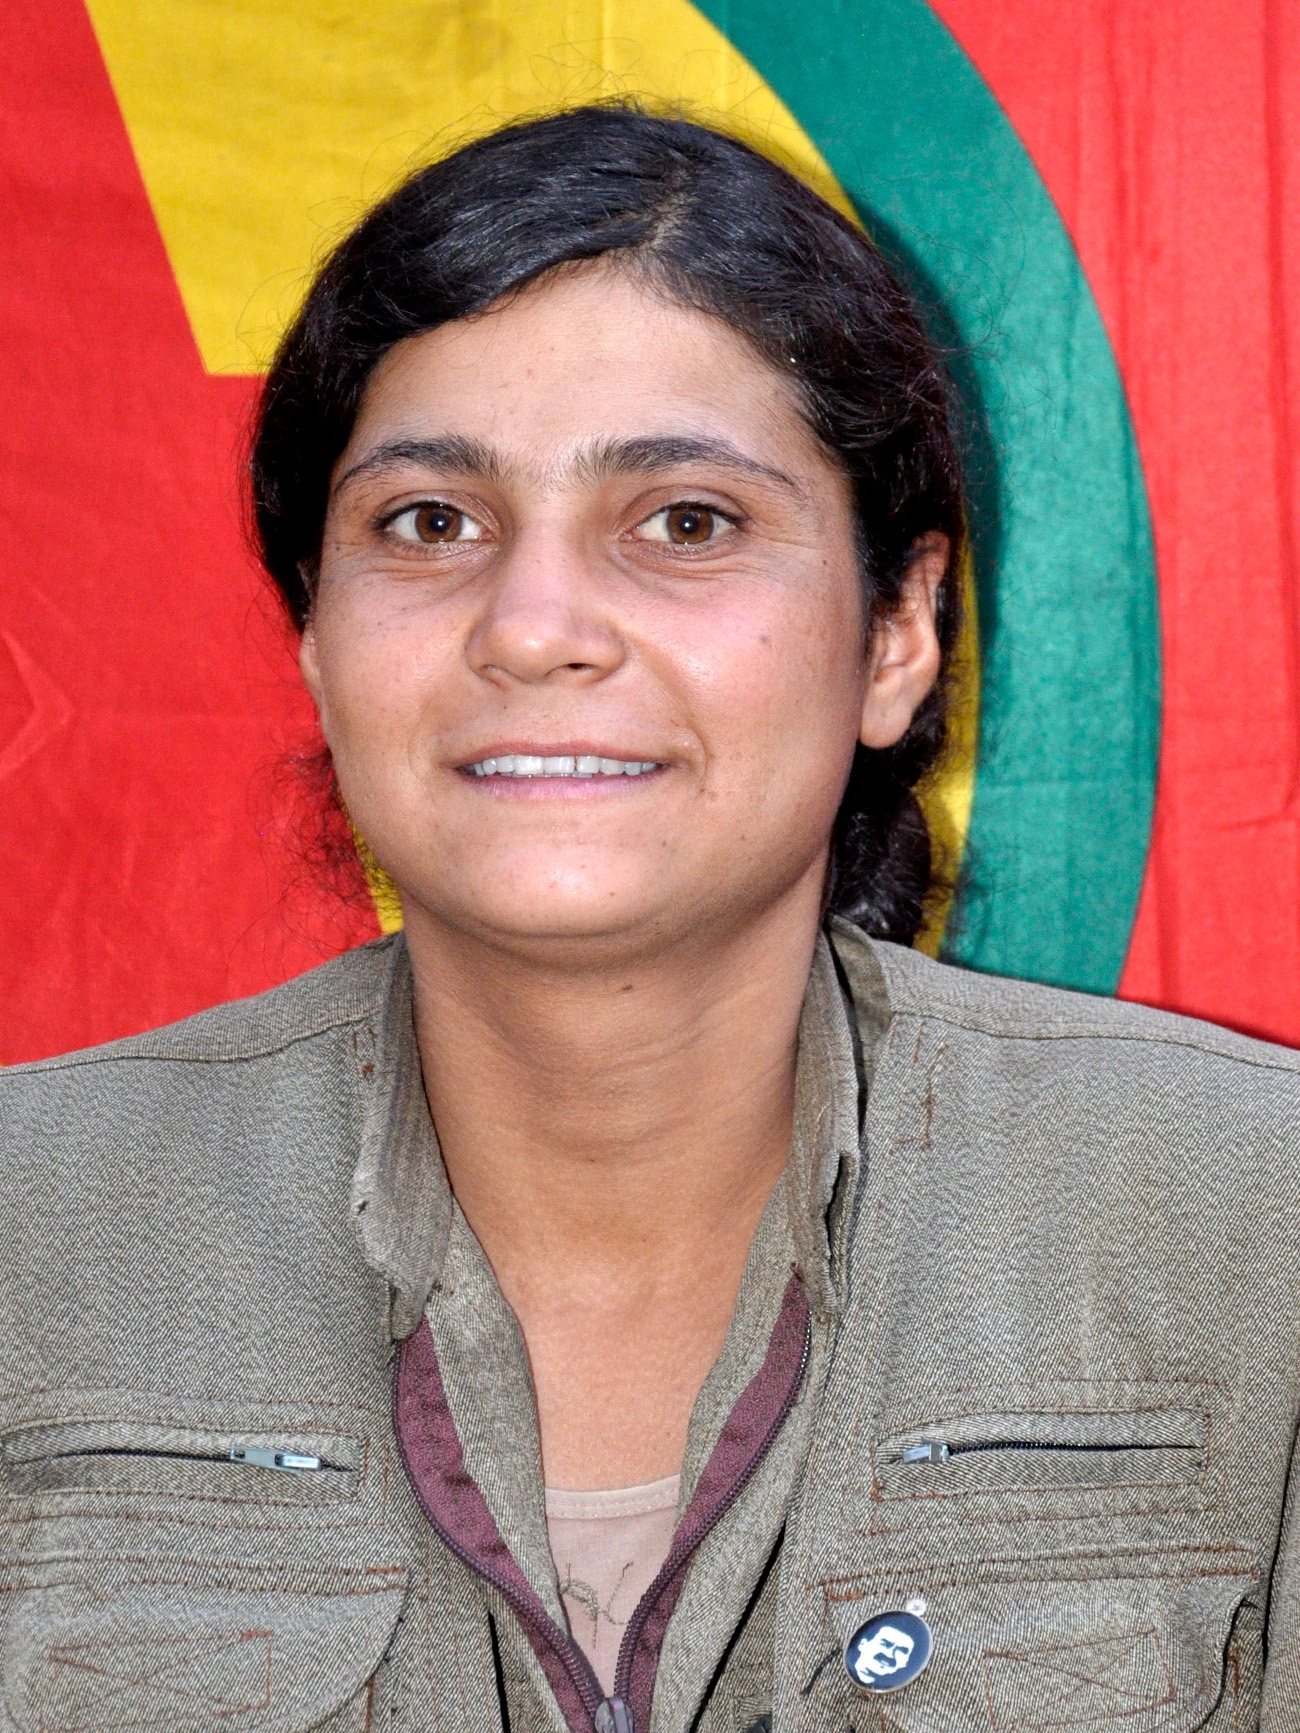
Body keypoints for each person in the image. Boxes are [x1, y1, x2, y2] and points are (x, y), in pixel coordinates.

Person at [2, 103, 1299, 1733]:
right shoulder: (29, 1241)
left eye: (687, 521)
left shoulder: (1254, 1229)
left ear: (897, 633)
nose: (535, 625)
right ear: (317, 638)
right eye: (431, 522)